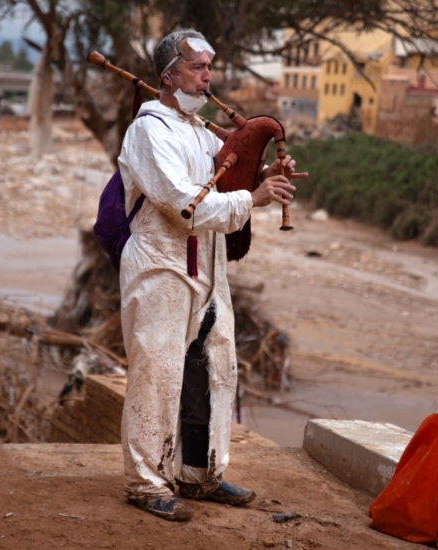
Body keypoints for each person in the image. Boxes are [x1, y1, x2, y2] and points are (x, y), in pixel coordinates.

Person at [116, 29, 306, 522]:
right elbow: (184, 206)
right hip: (160, 265)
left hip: (207, 266)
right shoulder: (149, 130)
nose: (208, 77)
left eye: (208, 68)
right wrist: (252, 200)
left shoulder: (202, 132)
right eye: (198, 68)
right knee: (157, 372)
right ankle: (146, 482)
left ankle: (199, 474)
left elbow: (223, 188)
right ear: (169, 76)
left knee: (213, 367)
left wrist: (263, 180)